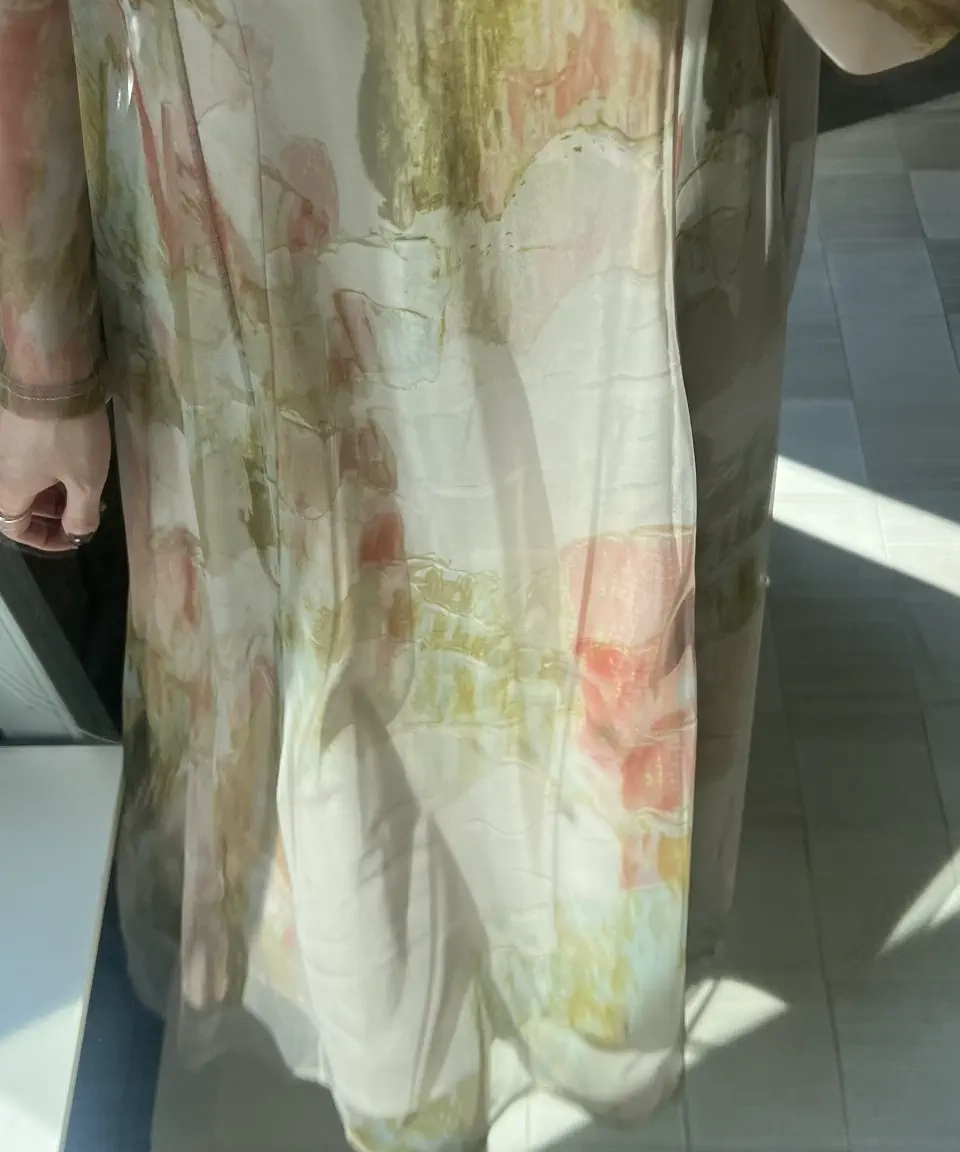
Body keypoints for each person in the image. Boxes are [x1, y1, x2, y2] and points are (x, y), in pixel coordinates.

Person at [0, 2, 955, 1148]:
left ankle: (546, 1023)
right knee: (344, 706)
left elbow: (889, 30)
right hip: (268, 213)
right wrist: (40, 352)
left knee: (585, 695)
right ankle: (405, 1084)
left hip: (619, 212)